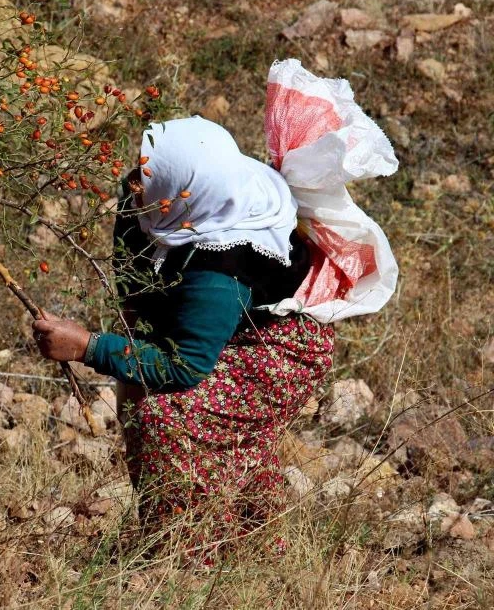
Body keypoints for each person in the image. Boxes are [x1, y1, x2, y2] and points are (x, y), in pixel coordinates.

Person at [31, 117, 335, 554]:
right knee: (143, 394)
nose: (134, 184)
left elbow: (185, 365)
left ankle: (186, 550)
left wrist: (89, 347)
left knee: (167, 417)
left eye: (147, 178)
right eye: (141, 170)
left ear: (186, 193)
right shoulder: (156, 198)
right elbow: (133, 280)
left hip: (278, 348)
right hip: (217, 322)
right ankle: (244, 539)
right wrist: (130, 349)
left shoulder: (223, 267)